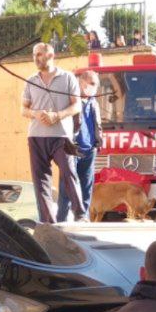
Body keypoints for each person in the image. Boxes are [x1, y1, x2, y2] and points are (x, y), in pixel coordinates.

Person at [22, 42, 84, 223]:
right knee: (40, 180)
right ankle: (48, 221)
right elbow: (23, 109)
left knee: (69, 173)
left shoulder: (68, 77)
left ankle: (80, 215)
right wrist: (35, 113)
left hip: (62, 136)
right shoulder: (31, 80)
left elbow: (77, 105)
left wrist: (58, 115)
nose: (36, 58)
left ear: (50, 55)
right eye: (34, 55)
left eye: (40, 54)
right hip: (36, 136)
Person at [58, 69, 100, 222]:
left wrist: (98, 142)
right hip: (72, 150)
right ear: (82, 83)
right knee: (67, 188)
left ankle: (83, 219)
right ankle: (61, 220)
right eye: (92, 84)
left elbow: (97, 125)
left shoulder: (93, 102)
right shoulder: (70, 101)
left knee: (86, 188)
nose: (94, 88)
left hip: (89, 150)